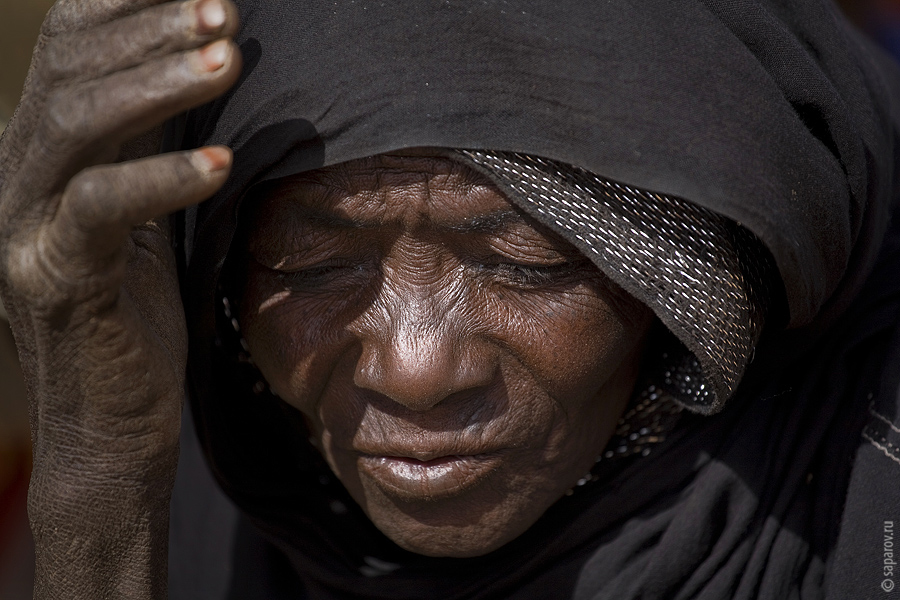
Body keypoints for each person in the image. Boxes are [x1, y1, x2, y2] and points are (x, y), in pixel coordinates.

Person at [0, 0, 899, 598]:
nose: (415, 370)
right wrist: (104, 477)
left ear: (706, 283)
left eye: (527, 264)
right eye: (310, 268)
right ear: (218, 281)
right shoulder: (201, 475)